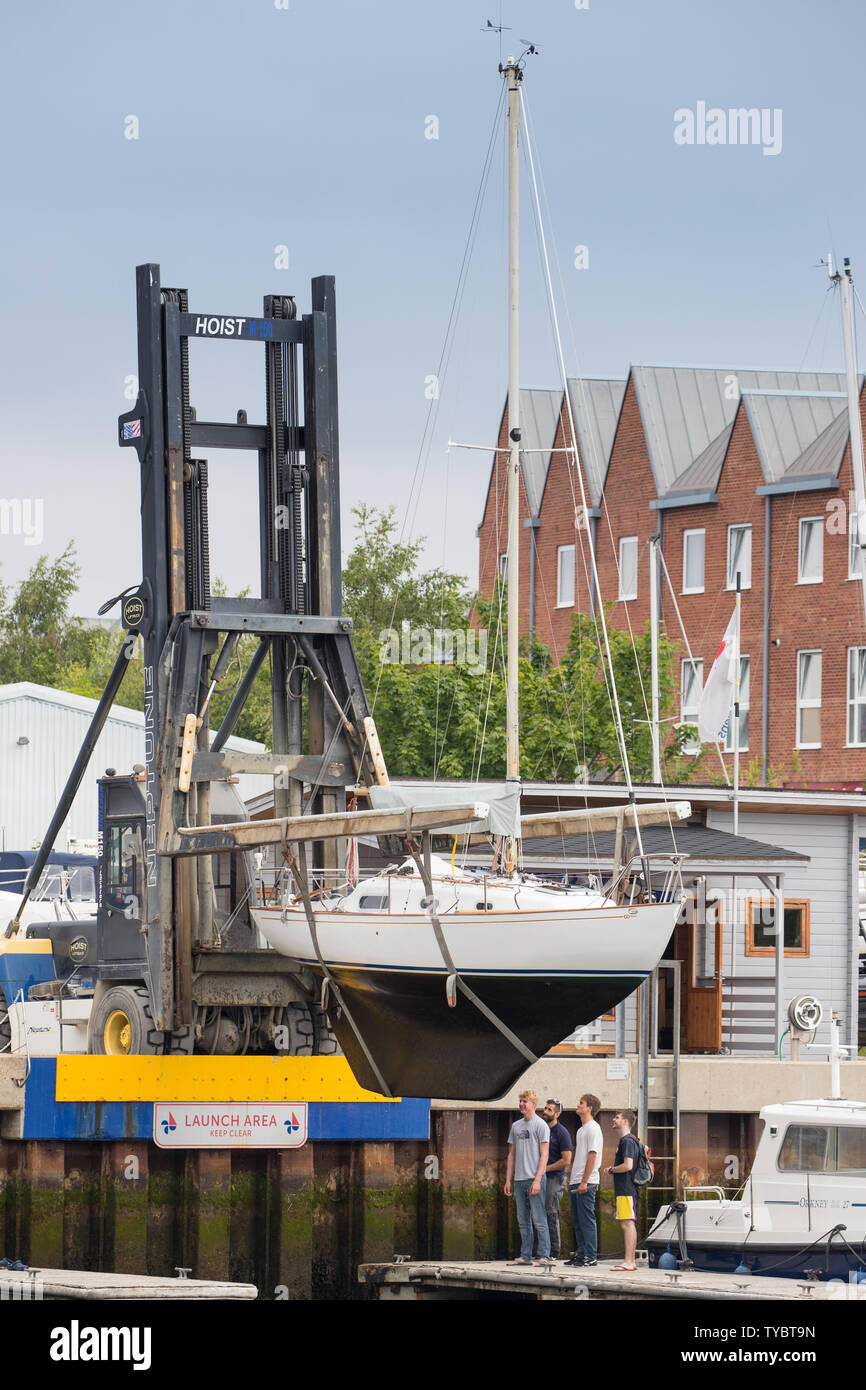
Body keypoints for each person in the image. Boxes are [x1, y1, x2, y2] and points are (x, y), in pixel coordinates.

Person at [504, 1089, 552, 1266]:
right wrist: (508, 1179)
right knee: (523, 1220)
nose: (522, 1104)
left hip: (534, 1178)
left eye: (525, 1101)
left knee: (539, 1220)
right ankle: (525, 1255)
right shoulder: (516, 1126)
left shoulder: (541, 1125)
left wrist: (538, 1179)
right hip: (519, 1180)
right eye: (520, 1101)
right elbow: (511, 1155)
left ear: (533, 1104)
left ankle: (544, 1256)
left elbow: (545, 1154)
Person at [566, 1094, 603, 1266]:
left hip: (586, 1181)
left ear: (589, 1108)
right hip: (576, 1179)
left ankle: (591, 1255)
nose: (578, 1105)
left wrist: (584, 1182)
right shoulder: (581, 1129)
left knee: (587, 1219)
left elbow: (592, 1155)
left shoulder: (593, 1128)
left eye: (581, 1103)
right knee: (578, 1220)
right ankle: (581, 1253)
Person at [534, 1099, 572, 1260]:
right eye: (545, 1108)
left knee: (550, 1212)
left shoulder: (561, 1133)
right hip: (539, 1177)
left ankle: (554, 1252)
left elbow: (566, 1160)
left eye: (549, 1110)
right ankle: (539, 1250)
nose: (545, 1112)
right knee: (536, 1213)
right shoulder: (540, 1130)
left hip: (554, 1178)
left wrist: (545, 1169)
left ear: (557, 1114)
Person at [606, 1109, 641, 1272]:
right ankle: (629, 1261)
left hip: (627, 1189)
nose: (614, 1119)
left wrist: (612, 1169)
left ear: (625, 1122)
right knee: (626, 1223)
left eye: (617, 1117)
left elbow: (628, 1166)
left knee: (627, 1224)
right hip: (625, 1189)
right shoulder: (628, 1140)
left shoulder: (627, 1141)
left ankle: (629, 1261)